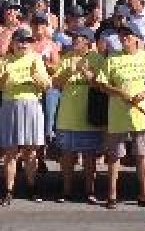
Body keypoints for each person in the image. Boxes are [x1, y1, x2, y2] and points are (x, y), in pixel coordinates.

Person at [98, 24, 145, 209]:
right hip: (118, 114)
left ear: (137, 38)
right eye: (121, 35)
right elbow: (102, 84)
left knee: (141, 155)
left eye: (128, 35)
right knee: (114, 156)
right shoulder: (112, 59)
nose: (124, 37)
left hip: (141, 114)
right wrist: (119, 92)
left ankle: (144, 195)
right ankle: (111, 195)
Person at [0, 27, 50, 205]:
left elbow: (47, 85)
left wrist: (35, 76)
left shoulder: (36, 59)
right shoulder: (5, 60)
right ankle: (8, 190)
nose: (23, 44)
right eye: (20, 41)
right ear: (13, 42)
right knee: (11, 152)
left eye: (27, 41)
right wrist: (5, 78)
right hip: (11, 105)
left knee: (30, 151)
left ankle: (32, 188)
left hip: (31, 105)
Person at [51, 26, 105, 204]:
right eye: (73, 38)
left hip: (88, 116)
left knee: (89, 157)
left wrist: (85, 72)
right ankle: (66, 190)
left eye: (78, 38)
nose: (74, 41)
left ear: (88, 42)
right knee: (67, 156)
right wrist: (69, 71)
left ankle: (90, 191)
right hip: (67, 116)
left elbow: (101, 85)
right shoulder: (66, 58)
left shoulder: (97, 59)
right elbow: (56, 84)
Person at [30, 13, 61, 171]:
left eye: (41, 25)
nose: (38, 28)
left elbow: (56, 67)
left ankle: (42, 158)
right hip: (30, 90)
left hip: (49, 90)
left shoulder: (52, 45)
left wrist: (42, 63)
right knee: (31, 125)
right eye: (35, 25)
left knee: (46, 125)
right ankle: (29, 159)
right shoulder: (27, 44)